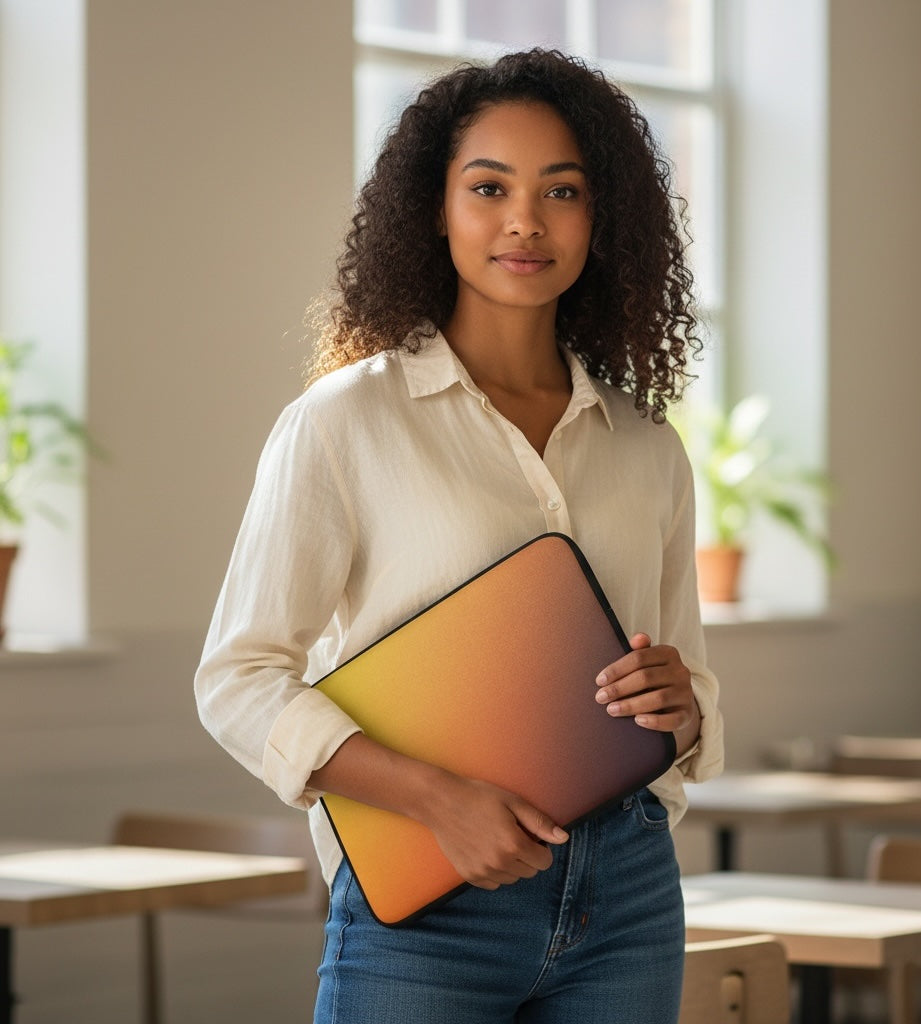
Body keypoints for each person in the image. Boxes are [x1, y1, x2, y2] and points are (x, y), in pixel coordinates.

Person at [195, 47, 724, 1024]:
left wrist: (682, 708)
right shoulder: (344, 423)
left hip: (629, 896)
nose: (525, 221)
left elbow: (686, 682)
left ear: (600, 217)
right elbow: (238, 679)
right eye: (489, 187)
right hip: (429, 904)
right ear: (436, 209)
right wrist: (437, 799)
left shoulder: (648, 447)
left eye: (562, 190)